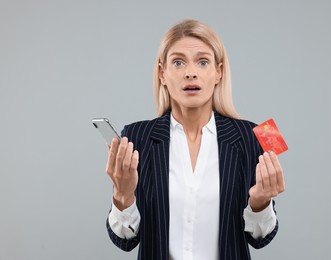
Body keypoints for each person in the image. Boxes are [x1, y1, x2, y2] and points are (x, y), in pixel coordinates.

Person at [104, 19, 285, 260]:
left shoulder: (254, 136)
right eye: (178, 62)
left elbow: (260, 238)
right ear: (162, 73)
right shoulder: (135, 137)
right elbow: (125, 241)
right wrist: (123, 196)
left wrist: (260, 203)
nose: (191, 72)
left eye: (202, 62)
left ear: (218, 72)